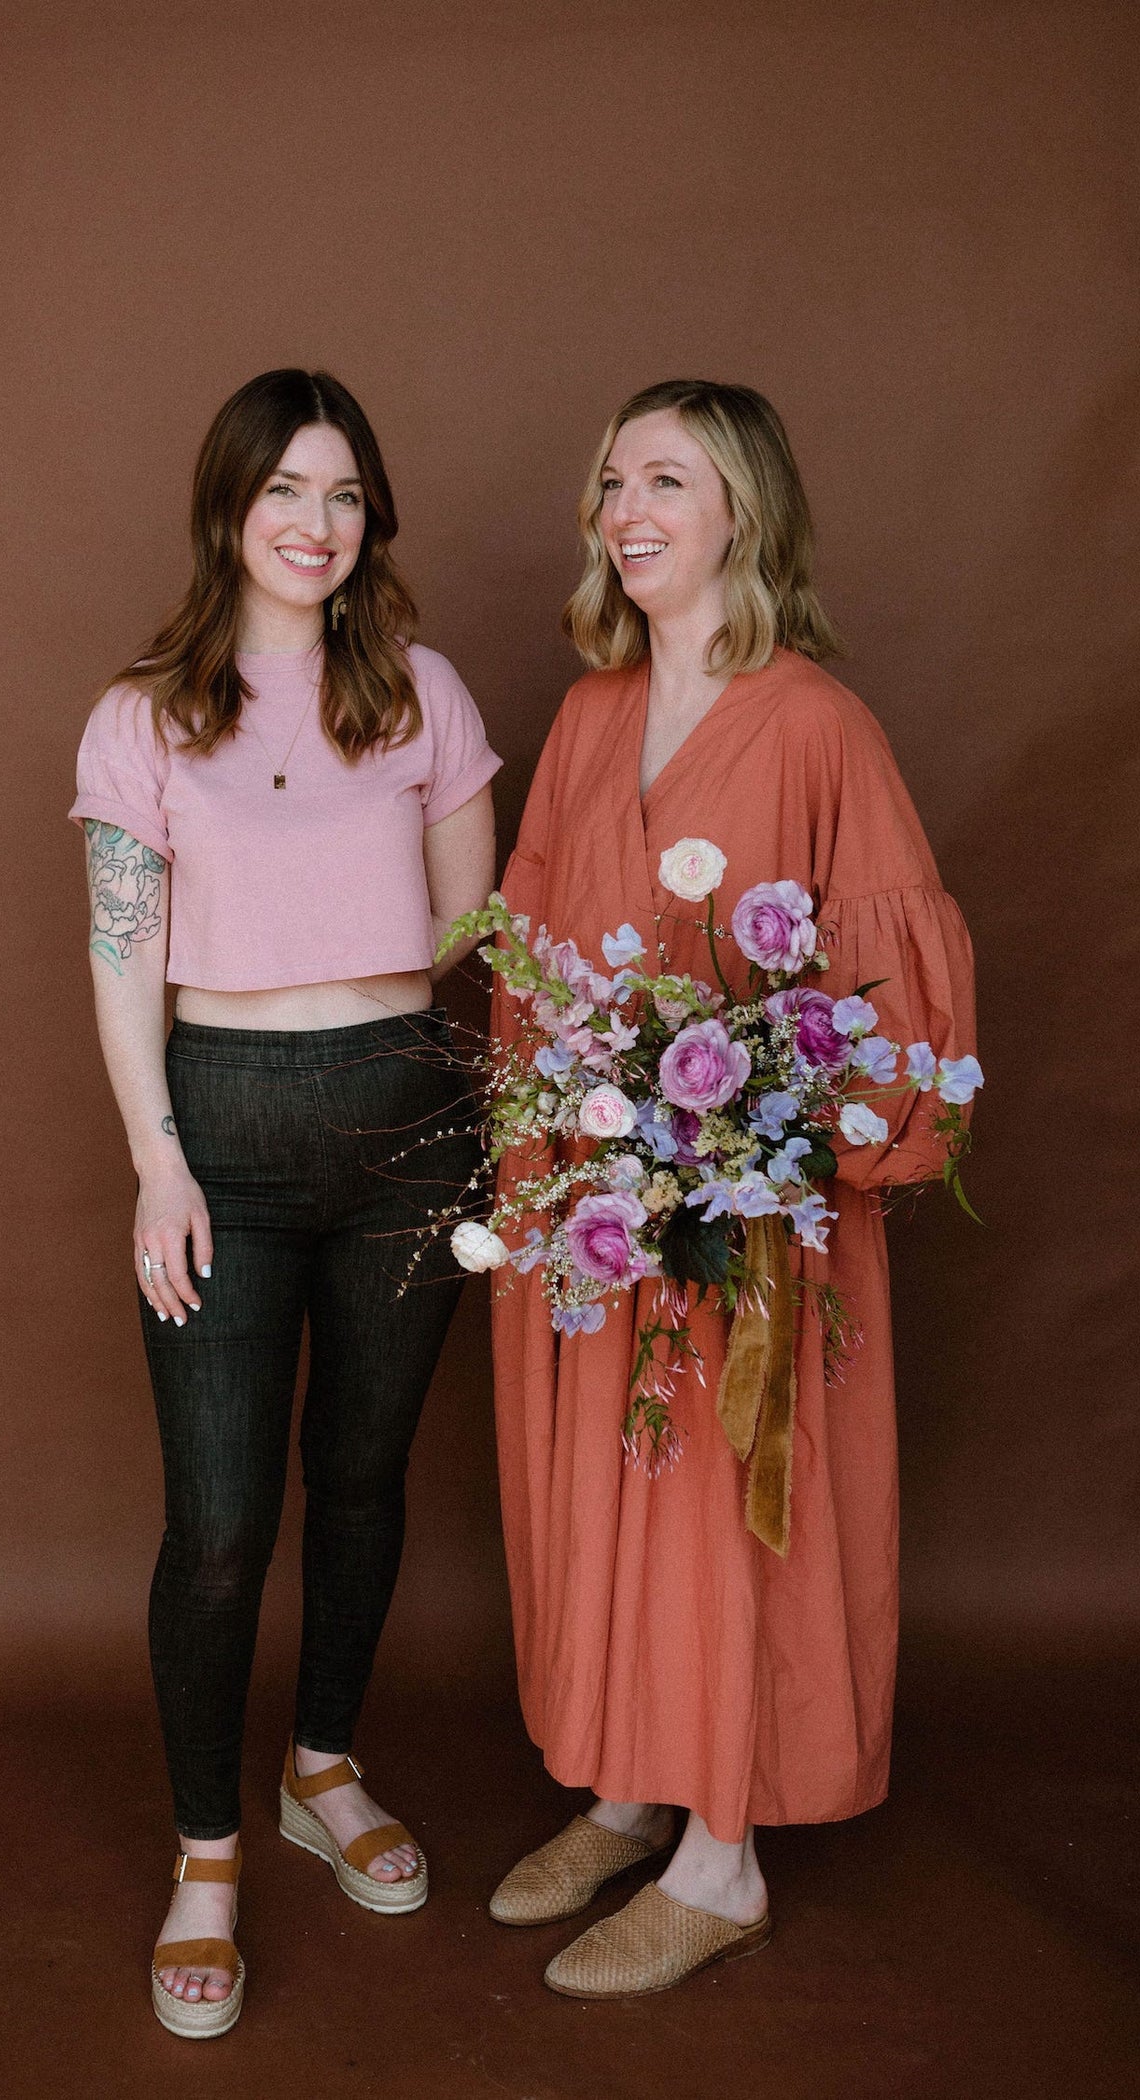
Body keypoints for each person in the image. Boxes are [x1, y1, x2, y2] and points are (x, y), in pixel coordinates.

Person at [486, 380, 976, 1998]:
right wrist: (560, 1137)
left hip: (756, 1221)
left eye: (668, 482)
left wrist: (774, 1135)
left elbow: (891, 986)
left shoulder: (818, 723)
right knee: (615, 1499)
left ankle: (723, 1858)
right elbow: (534, 948)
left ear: (743, 513)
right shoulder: (586, 716)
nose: (627, 509)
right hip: (611, 1209)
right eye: (612, 480)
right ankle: (632, 1786)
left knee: (719, 1513)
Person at [70, 368, 498, 2037]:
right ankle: (208, 1852)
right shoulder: (143, 715)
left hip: (409, 1123)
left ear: (368, 515)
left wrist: (367, 1012)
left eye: (344, 495)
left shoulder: (424, 693)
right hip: (221, 1137)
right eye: (285, 495)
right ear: (229, 512)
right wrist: (157, 1155)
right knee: (223, 1521)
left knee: (367, 1477)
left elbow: (468, 934)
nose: (317, 527)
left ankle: (325, 1765)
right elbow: (122, 957)